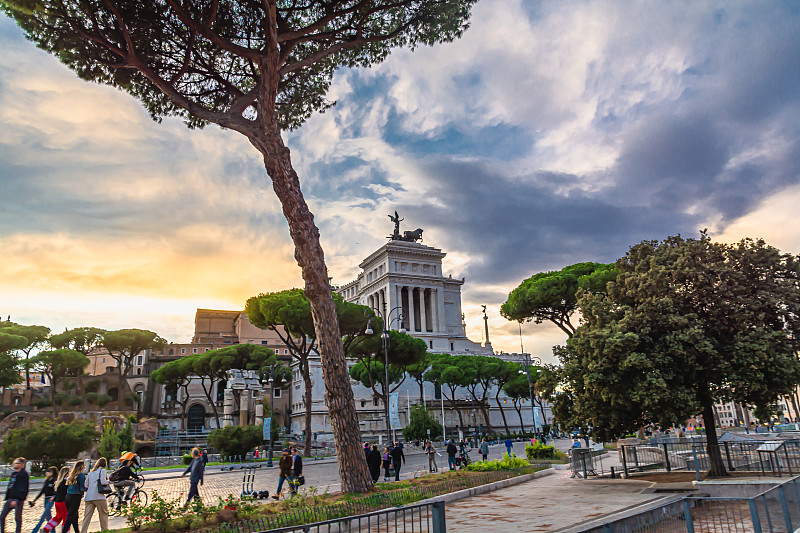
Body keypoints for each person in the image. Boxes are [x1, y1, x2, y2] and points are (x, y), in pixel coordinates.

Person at [80, 457, 110, 533]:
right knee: (103, 515)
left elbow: (86, 485)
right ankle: (104, 530)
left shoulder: (90, 473)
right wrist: (109, 481)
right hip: (99, 496)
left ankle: (83, 531)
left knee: (87, 517)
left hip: (89, 497)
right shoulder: (102, 470)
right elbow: (103, 482)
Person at [0, 457, 29, 533]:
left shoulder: (23, 474)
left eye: (16, 463)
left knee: (17, 518)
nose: (14, 464)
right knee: (2, 516)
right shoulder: (14, 473)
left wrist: (16, 499)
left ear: (21, 464)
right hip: (10, 498)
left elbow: (23, 488)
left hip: (18, 500)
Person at [30, 466, 57, 533]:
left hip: (51, 500)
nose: (47, 473)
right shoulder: (47, 481)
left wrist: (54, 497)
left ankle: (34, 531)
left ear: (53, 473)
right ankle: (53, 531)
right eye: (47, 471)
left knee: (43, 516)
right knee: (48, 517)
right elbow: (42, 491)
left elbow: (57, 491)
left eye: (49, 471)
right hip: (46, 499)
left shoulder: (55, 481)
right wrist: (35, 500)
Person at [42, 467, 69, 533]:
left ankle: (47, 527)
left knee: (58, 517)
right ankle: (65, 531)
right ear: (67, 473)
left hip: (57, 502)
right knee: (66, 517)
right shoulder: (65, 482)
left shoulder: (58, 482)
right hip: (63, 502)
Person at [62, 461, 86, 533]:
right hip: (76, 496)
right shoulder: (81, 475)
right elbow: (82, 488)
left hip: (68, 496)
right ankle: (64, 531)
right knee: (71, 516)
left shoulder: (71, 475)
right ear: (82, 467)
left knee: (74, 515)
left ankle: (77, 531)